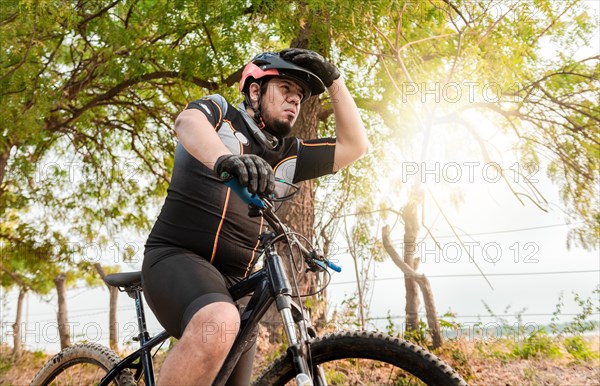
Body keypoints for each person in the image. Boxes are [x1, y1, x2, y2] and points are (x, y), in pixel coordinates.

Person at [141, 48, 368, 385]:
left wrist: (335, 81)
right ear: (255, 90)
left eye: (300, 97)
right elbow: (186, 122)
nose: (294, 101)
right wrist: (225, 159)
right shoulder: (221, 113)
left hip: (238, 285)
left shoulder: (289, 155)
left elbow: (355, 146)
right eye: (286, 90)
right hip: (176, 256)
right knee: (219, 322)